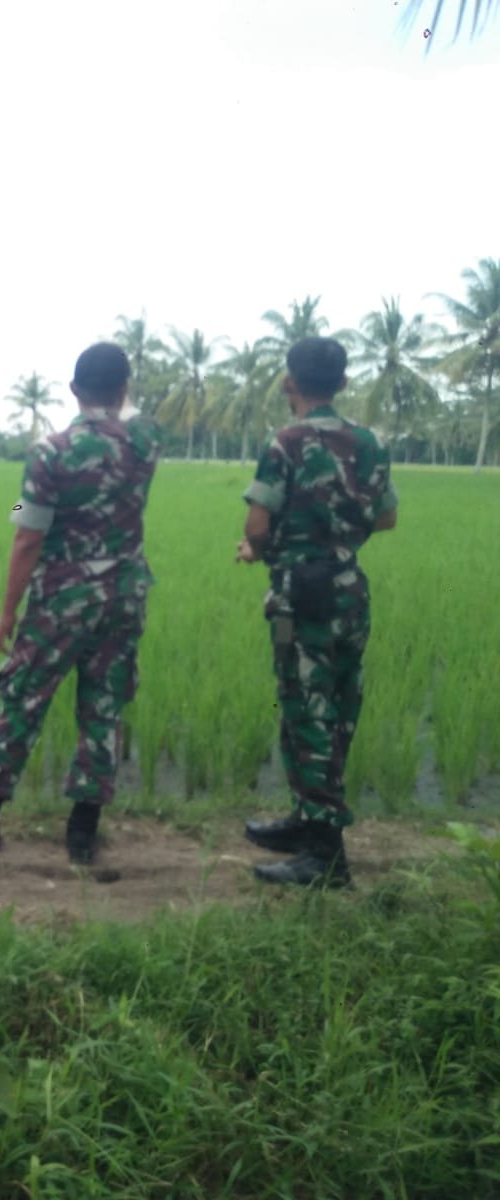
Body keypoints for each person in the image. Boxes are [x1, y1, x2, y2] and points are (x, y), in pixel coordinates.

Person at [0, 343, 162, 865]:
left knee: (24, 695)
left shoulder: (50, 452)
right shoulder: (146, 442)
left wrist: (8, 608)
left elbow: (27, 533)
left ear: (73, 390)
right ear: (124, 389)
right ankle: (83, 831)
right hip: (124, 595)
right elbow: (132, 418)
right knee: (104, 705)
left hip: (62, 599)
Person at [237, 337, 397, 887]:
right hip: (349, 591)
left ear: (289, 383)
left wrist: (258, 548)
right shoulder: (370, 443)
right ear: (343, 383)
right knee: (337, 708)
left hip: (299, 598)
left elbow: (257, 523)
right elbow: (387, 516)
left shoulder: (286, 442)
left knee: (305, 711)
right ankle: (308, 819)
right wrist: (336, 531)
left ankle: (325, 853)